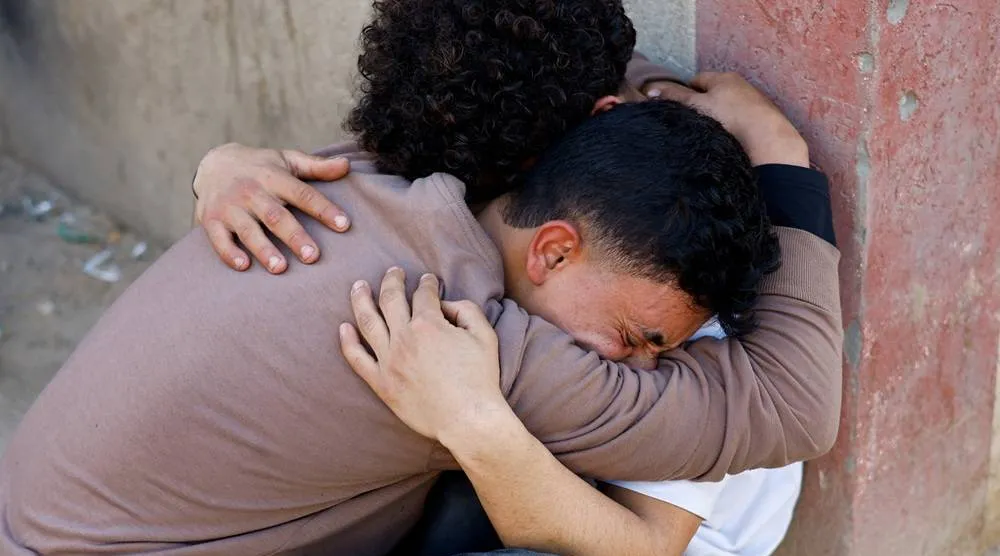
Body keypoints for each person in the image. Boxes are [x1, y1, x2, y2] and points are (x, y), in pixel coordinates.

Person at [0, 3, 842, 556]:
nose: (640, 362)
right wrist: (785, 160)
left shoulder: (348, 178)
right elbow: (798, 407)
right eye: (639, 338)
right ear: (552, 245)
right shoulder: (452, 329)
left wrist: (216, 165)